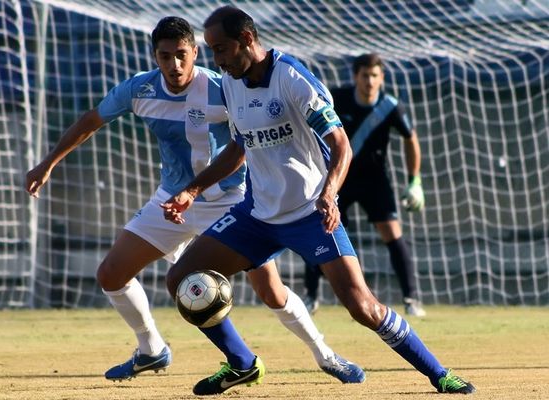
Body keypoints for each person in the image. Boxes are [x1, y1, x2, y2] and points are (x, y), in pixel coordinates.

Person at [24, 16, 360, 384]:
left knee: (270, 291)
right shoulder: (139, 90)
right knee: (111, 274)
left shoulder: (223, 86)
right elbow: (91, 120)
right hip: (171, 202)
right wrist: (47, 163)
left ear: (195, 53)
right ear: (155, 57)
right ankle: (152, 349)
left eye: (181, 55)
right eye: (164, 56)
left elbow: (248, 138)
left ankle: (325, 355)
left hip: (230, 201)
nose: (174, 65)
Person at [161, 6, 475, 396]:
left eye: (221, 49)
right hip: (256, 215)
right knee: (179, 279)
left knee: (363, 307)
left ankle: (439, 373)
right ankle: (242, 364)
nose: (217, 60)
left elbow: (340, 143)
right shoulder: (231, 82)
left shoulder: (293, 78)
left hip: (311, 213)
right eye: (212, 51)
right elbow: (240, 145)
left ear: (246, 40)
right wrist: (192, 189)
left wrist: (329, 194)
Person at [302, 53, 426, 318]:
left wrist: (414, 180)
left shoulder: (391, 106)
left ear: (381, 79)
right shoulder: (338, 99)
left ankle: (411, 298)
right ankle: (311, 296)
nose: (370, 81)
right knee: (321, 233)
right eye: (365, 76)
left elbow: (410, 139)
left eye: (374, 76)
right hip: (338, 177)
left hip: (375, 180)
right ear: (355, 76)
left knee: (392, 233)